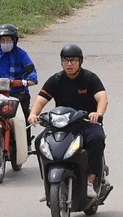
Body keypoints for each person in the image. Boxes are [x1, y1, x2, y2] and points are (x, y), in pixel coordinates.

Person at [29, 42, 110, 196]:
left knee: (97, 139)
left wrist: (98, 113)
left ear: (80, 61)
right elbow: (41, 100)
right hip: (62, 125)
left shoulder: (89, 78)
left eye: (73, 60)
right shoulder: (56, 79)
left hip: (86, 123)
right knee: (40, 141)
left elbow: (102, 98)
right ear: (61, 62)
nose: (69, 64)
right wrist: (33, 114)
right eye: (66, 60)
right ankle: (48, 183)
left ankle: (90, 181)